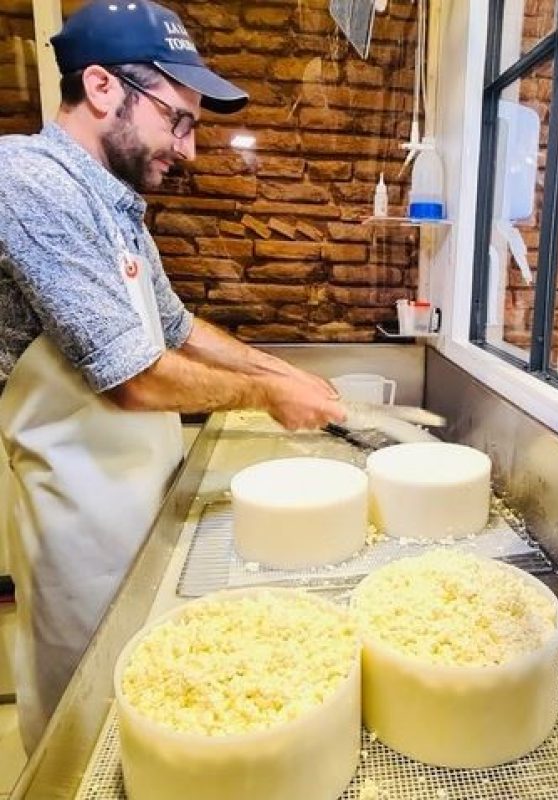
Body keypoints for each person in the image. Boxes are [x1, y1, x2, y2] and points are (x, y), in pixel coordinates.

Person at [0, 0, 345, 752]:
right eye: (176, 119)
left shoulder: (116, 205)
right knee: (88, 722)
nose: (187, 149)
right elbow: (135, 378)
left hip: (142, 489)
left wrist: (273, 365)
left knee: (159, 706)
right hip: (79, 516)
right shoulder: (23, 182)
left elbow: (176, 325)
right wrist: (268, 394)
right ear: (100, 88)